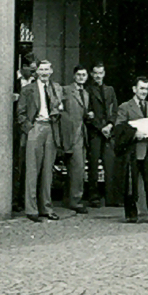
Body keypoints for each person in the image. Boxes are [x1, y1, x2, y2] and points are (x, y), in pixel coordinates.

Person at [16, 60, 63, 222]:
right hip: (36, 127)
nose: (44, 72)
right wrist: (30, 129)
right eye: (41, 70)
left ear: (51, 71)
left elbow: (59, 106)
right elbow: (20, 113)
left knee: (48, 171)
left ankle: (46, 208)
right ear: (37, 72)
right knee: (32, 170)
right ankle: (31, 209)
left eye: (47, 69)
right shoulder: (27, 90)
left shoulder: (55, 88)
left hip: (51, 127)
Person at [112, 76, 148, 223]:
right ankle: (131, 214)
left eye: (146, 89)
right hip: (133, 150)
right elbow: (119, 127)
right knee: (131, 183)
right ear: (134, 89)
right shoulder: (125, 107)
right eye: (141, 88)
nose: (144, 92)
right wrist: (134, 134)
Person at [59, 65, 91, 214]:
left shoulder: (85, 93)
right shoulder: (65, 90)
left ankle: (74, 199)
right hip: (68, 133)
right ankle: (72, 199)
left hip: (80, 133)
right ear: (74, 76)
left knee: (78, 168)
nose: (81, 77)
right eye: (78, 75)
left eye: (83, 75)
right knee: (74, 167)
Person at [86, 63, 119, 207]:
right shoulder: (88, 90)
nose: (98, 76)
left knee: (109, 164)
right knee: (93, 165)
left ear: (104, 73)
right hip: (95, 131)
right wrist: (101, 128)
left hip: (108, 131)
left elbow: (114, 110)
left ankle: (110, 197)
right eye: (95, 73)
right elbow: (88, 113)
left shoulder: (110, 90)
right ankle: (94, 197)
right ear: (92, 74)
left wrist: (110, 125)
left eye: (100, 73)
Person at [12, 55, 37, 212]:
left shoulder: (36, 84)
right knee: (16, 165)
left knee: (26, 164)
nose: (34, 73)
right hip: (15, 128)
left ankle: (23, 199)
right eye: (32, 69)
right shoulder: (12, 81)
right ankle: (14, 199)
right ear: (24, 67)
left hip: (29, 128)